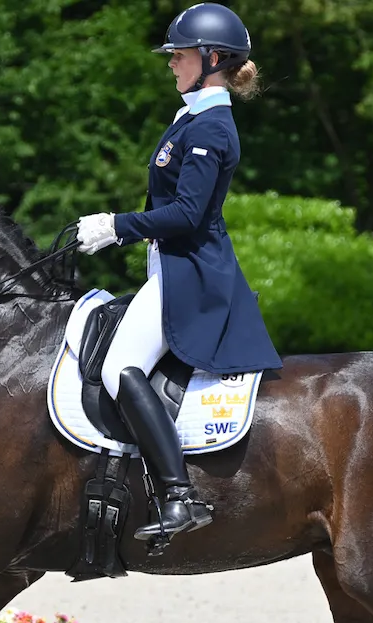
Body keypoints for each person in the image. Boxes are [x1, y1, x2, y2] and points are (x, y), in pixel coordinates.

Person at [75, 3, 282, 543]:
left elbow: (188, 214)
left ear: (211, 59)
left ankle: (179, 496)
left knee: (122, 367)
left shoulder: (211, 128)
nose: (171, 63)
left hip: (191, 275)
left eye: (179, 55)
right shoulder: (192, 118)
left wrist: (116, 225)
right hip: (171, 268)